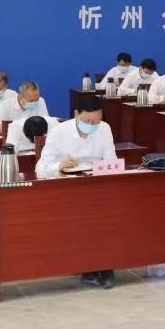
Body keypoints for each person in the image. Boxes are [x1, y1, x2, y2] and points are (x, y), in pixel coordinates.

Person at [36, 93, 118, 288]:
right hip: (67, 187)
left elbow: (112, 161)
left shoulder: (104, 129)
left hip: (96, 186)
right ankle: (87, 265)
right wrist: (59, 165)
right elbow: (40, 168)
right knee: (83, 215)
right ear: (76, 114)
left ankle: (105, 264)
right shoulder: (59, 132)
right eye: (88, 121)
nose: (92, 125)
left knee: (107, 213)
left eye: (96, 121)